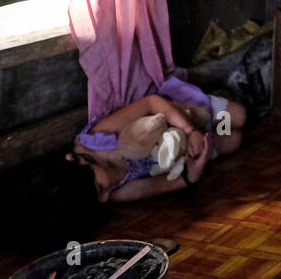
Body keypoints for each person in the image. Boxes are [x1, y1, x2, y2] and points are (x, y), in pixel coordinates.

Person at [69, 77, 246, 203]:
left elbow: (151, 103)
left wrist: (190, 130)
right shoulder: (112, 192)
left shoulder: (96, 138)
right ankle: (215, 121)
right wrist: (193, 173)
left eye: (100, 188)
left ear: (84, 167)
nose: (106, 197)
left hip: (180, 115)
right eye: (102, 198)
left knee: (240, 116)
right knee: (235, 140)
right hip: (183, 150)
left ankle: (214, 102)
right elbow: (159, 186)